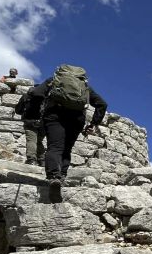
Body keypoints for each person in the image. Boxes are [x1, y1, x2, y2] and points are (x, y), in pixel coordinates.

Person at [36, 65, 107, 200]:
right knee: (66, 148)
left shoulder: (53, 81)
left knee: (55, 147)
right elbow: (102, 104)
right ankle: (62, 176)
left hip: (55, 114)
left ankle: (53, 178)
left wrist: (37, 111)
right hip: (76, 119)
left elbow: (36, 93)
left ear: (61, 72)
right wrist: (93, 123)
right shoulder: (85, 88)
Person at [14, 83, 46, 166]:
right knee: (39, 141)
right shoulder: (45, 97)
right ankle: (42, 160)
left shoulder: (26, 96)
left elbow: (18, 110)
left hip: (29, 122)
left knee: (31, 140)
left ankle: (31, 159)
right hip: (43, 123)